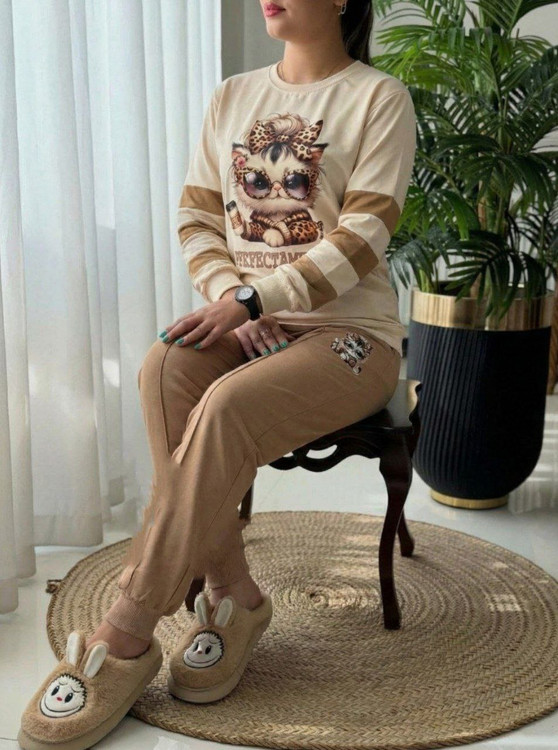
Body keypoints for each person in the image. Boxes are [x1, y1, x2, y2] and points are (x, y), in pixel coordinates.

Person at [18, 1, 416, 747]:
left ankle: (127, 627)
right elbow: (197, 218)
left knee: (226, 406)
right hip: (246, 314)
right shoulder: (234, 95)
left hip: (351, 336)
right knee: (162, 367)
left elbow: (365, 234)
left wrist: (256, 298)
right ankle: (234, 594)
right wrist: (233, 299)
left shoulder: (378, 98)